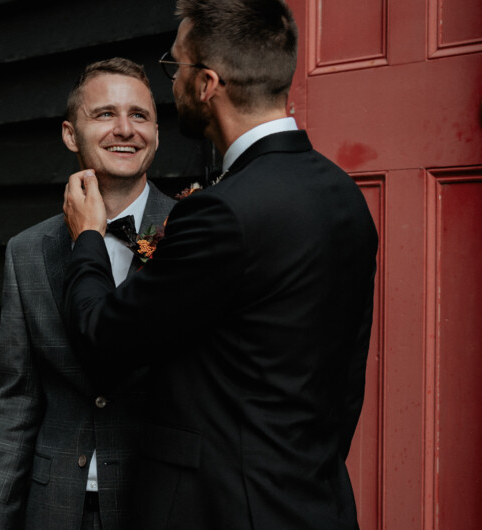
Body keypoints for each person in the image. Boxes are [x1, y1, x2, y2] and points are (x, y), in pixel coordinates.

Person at [62, 1, 378, 529]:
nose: (173, 83)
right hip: (314, 503)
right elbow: (343, 384)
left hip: (228, 510)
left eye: (176, 67)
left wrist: (89, 237)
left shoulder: (223, 212)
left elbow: (105, 338)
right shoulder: (343, 194)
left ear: (207, 83)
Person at [0, 58, 175, 530]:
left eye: (140, 115)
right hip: (55, 508)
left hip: (159, 504)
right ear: (69, 134)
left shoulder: (194, 232)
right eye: (104, 114)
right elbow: (15, 405)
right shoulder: (27, 252)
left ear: (157, 133)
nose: (125, 129)